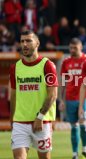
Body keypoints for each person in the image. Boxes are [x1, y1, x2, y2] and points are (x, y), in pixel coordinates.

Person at [9, 30, 58, 159]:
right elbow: (13, 95)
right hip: (20, 122)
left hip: (42, 122)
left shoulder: (48, 65)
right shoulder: (15, 68)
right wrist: (12, 119)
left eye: (28, 41)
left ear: (37, 43)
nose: (24, 44)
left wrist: (40, 117)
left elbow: (52, 95)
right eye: (22, 41)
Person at [59, 38, 86, 159]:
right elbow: (63, 82)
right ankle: (75, 154)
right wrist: (61, 100)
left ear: (81, 47)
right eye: (70, 48)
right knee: (73, 126)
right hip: (70, 98)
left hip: (85, 98)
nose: (72, 50)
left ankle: (85, 150)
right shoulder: (66, 62)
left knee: (83, 124)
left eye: (75, 48)